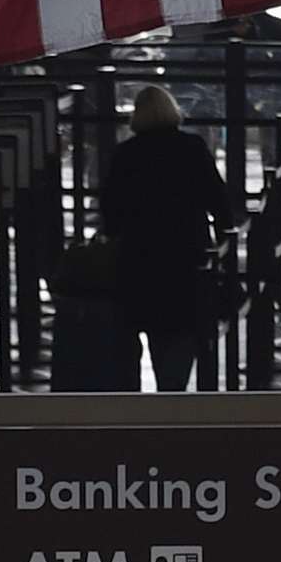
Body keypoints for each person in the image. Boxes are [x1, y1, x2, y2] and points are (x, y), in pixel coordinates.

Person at [100, 85, 237, 395]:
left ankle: (136, 392)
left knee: (142, 321)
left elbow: (111, 213)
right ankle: (173, 380)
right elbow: (217, 199)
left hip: (139, 257)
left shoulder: (126, 154)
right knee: (182, 324)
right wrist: (224, 240)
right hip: (187, 253)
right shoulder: (192, 147)